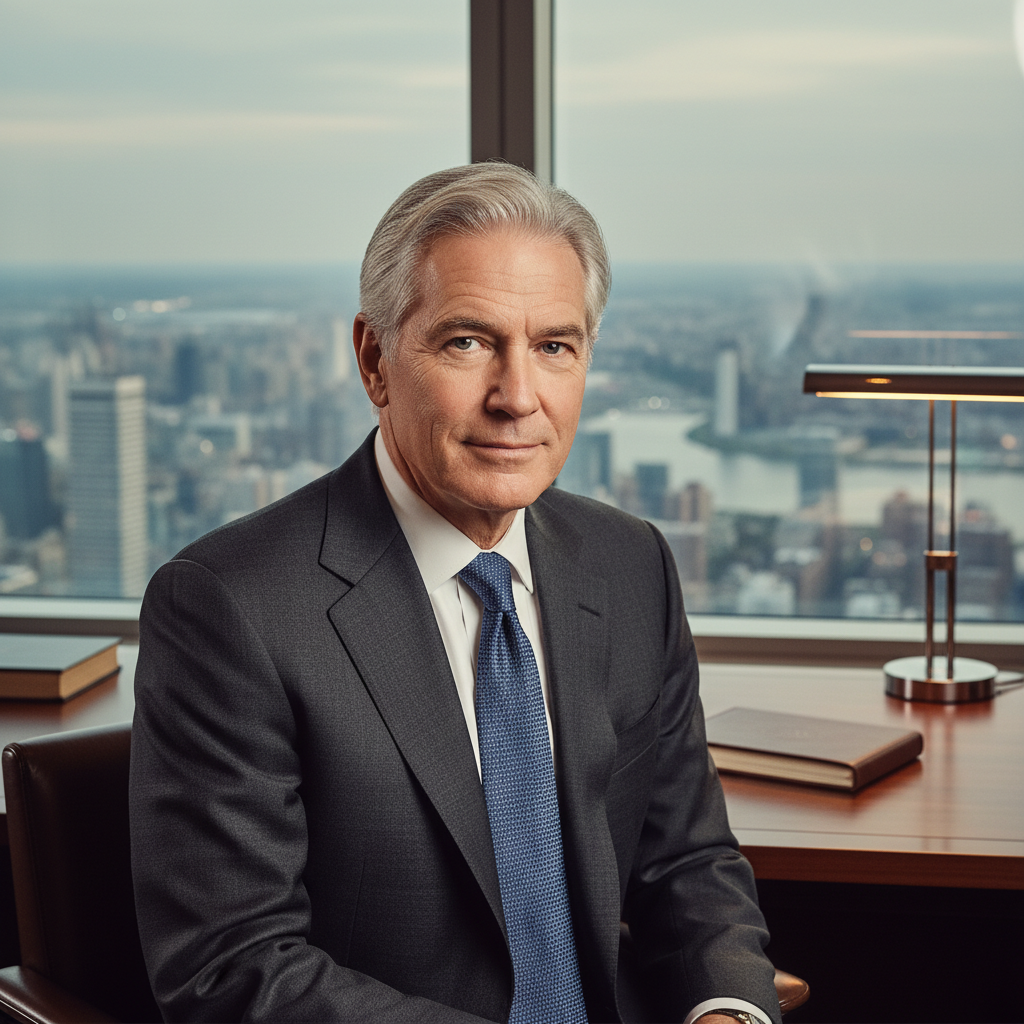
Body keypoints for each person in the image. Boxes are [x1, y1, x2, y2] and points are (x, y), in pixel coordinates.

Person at [129, 163, 780, 1024]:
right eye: (468, 342)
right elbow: (237, 969)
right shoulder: (231, 607)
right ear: (375, 359)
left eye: (554, 346)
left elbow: (686, 864)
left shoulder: (631, 565)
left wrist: (726, 1010)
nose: (518, 398)